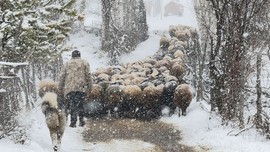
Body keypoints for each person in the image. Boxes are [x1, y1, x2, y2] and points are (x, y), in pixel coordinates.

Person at [58, 50, 92, 127]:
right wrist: (90, 86)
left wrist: (60, 87)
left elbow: (62, 76)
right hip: (81, 87)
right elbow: (88, 75)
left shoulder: (67, 64)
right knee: (81, 104)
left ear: (72, 56)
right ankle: (81, 120)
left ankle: (73, 122)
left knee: (72, 104)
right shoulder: (85, 63)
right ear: (79, 55)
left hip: (69, 88)